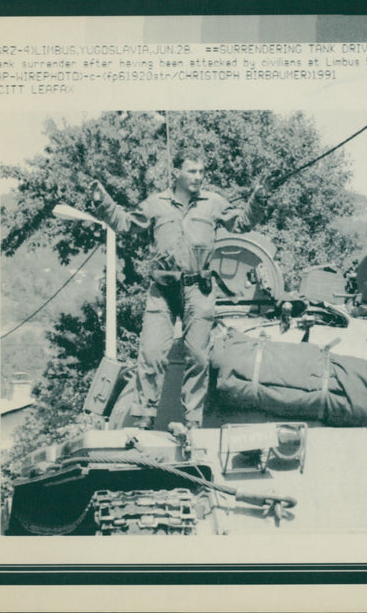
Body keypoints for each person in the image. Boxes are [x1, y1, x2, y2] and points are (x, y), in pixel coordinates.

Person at [91, 148, 267, 430]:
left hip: (199, 289)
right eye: (192, 171)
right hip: (163, 290)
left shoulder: (213, 203)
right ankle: (144, 418)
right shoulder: (156, 204)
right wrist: (103, 202)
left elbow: (242, 223)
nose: (199, 177)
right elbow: (125, 224)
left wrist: (258, 198)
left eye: (201, 171)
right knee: (150, 353)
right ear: (177, 172)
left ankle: (193, 421)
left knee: (198, 355)